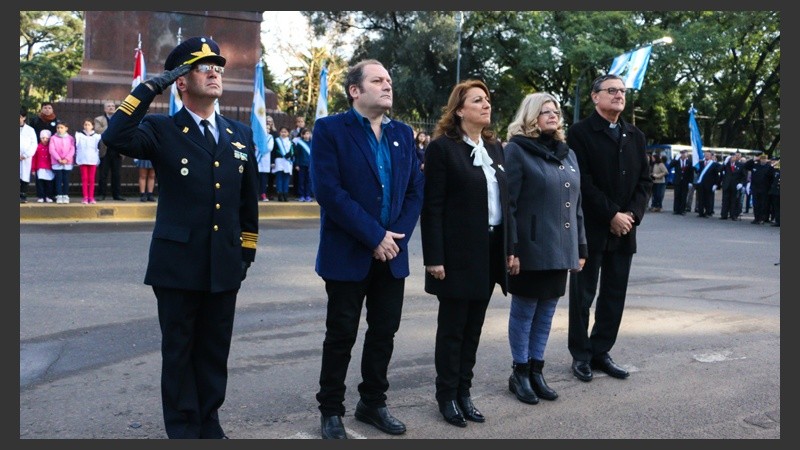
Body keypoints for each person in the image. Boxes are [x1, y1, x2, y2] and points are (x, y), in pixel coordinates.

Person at [101, 36, 260, 439]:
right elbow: (116, 137)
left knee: (214, 350)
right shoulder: (161, 129)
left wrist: (246, 252)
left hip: (224, 264)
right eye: (203, 67)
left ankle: (209, 420)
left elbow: (247, 201)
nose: (214, 72)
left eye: (218, 67)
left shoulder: (239, 133)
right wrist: (150, 86)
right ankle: (184, 427)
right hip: (177, 265)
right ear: (181, 82)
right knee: (179, 351)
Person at [310, 59, 424, 439]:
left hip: (392, 254)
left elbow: (413, 192)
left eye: (389, 80)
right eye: (377, 80)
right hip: (348, 253)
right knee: (341, 333)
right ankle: (331, 410)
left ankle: (372, 401)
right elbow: (329, 192)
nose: (387, 85)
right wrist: (374, 236)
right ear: (355, 91)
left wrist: (393, 238)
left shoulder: (403, 134)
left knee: (384, 332)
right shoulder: (330, 130)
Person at [420, 79, 515, 428]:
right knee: (453, 329)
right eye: (478, 100)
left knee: (474, 327)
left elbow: (507, 205)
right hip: (457, 254)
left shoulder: (495, 148)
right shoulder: (442, 149)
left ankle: (464, 392)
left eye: (487, 99)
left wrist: (510, 249)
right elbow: (432, 208)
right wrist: (435, 257)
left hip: (490, 250)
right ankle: (446, 395)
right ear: (460, 110)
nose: (486, 105)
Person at [567, 74, 652, 382]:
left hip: (625, 229)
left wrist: (631, 215)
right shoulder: (579, 133)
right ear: (595, 97)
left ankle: (601, 350)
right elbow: (582, 182)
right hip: (592, 229)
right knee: (583, 296)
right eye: (612, 90)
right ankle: (581, 354)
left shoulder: (635, 135)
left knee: (614, 294)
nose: (618, 95)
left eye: (622, 91)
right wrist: (612, 214)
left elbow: (645, 182)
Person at [503, 92, 586, 404]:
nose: (554, 116)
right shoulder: (516, 150)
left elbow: (577, 205)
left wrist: (581, 246)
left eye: (556, 111)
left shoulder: (568, 154)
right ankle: (520, 372)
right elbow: (508, 204)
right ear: (531, 116)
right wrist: (511, 248)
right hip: (529, 247)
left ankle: (537, 370)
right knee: (524, 311)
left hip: (560, 248)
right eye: (546, 111)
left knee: (547, 312)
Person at [95, 101, 126, 201]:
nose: (111, 108)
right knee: (103, 174)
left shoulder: (120, 119)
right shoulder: (99, 119)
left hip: (117, 151)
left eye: (113, 106)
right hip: (105, 151)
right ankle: (101, 194)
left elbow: (123, 132)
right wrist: (113, 125)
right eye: (108, 106)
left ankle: (116, 195)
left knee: (116, 174)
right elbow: (98, 131)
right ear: (105, 109)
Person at [74, 118, 102, 204]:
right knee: (85, 179)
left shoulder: (97, 136)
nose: (87, 126)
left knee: (92, 179)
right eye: (85, 124)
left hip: (92, 159)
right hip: (83, 159)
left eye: (89, 125)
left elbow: (98, 148)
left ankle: (91, 197)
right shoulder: (79, 135)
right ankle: (85, 197)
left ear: (92, 126)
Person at [49, 120, 75, 204]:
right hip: (57, 162)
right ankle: (59, 195)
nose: (59, 129)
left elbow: (72, 149)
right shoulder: (53, 138)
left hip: (67, 162)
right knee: (58, 179)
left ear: (66, 128)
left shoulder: (70, 138)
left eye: (61, 128)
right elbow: (52, 149)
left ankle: (65, 195)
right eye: (58, 128)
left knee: (66, 179)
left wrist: (66, 159)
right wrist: (59, 159)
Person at [719, 151, 746, 220]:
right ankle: (724, 215)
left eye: (733, 157)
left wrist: (741, 183)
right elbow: (719, 169)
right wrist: (724, 163)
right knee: (725, 200)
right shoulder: (726, 164)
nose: (732, 158)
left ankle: (733, 215)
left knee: (734, 201)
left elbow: (744, 176)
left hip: (735, 185)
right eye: (731, 157)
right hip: (727, 185)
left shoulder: (740, 165)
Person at [271, 126, 295, 202]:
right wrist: (272, 162)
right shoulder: (276, 141)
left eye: (285, 132)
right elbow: (273, 151)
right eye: (282, 132)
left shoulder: (291, 142)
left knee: (286, 178)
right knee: (279, 178)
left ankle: (285, 194)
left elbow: (293, 151)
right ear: (279, 133)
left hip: (287, 162)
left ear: (288, 133)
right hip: (279, 161)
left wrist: (289, 155)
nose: (283, 133)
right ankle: (280, 194)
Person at [31, 129, 55, 203]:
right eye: (43, 138)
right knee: (40, 183)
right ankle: (41, 196)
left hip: (49, 168)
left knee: (49, 183)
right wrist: (33, 169)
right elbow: (34, 159)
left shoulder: (51, 147)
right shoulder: (37, 147)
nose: (45, 140)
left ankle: (48, 196)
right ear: (40, 138)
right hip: (40, 168)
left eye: (47, 138)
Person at [20, 107, 38, 203]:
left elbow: (33, 144)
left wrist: (26, 155)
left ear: (24, 118)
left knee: (24, 175)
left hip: (25, 158)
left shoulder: (30, 130)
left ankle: (23, 195)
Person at [695, 151, 721, 218]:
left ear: (711, 156)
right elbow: (696, 170)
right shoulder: (700, 163)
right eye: (705, 154)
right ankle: (700, 212)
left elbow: (717, 175)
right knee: (700, 199)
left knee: (708, 199)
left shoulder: (714, 164)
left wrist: (716, 184)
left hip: (709, 185)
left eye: (708, 155)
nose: (706, 156)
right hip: (701, 184)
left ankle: (707, 212)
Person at [669, 149, 694, 215]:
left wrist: (690, 182)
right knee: (677, 195)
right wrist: (675, 159)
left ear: (687, 154)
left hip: (685, 181)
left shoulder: (689, 162)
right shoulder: (677, 161)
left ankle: (682, 210)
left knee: (684, 196)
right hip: (677, 181)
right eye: (682, 153)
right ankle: (676, 210)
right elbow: (670, 165)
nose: (683, 155)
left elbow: (691, 173)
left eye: (684, 153)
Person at [256, 116, 275, 202]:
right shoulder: (257, 137)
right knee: (256, 178)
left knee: (264, 179)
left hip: (265, 160)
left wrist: (261, 148)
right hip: (257, 160)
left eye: (268, 128)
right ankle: (256, 194)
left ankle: (263, 194)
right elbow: (255, 147)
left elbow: (270, 147)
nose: (267, 129)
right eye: (265, 128)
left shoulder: (270, 137)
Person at [293, 127, 313, 201]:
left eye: (309, 133)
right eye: (306, 134)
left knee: (308, 181)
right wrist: (297, 164)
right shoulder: (300, 143)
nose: (307, 135)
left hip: (310, 165)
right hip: (301, 164)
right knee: (301, 181)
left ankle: (308, 195)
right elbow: (297, 155)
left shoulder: (312, 143)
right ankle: (301, 195)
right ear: (302, 135)